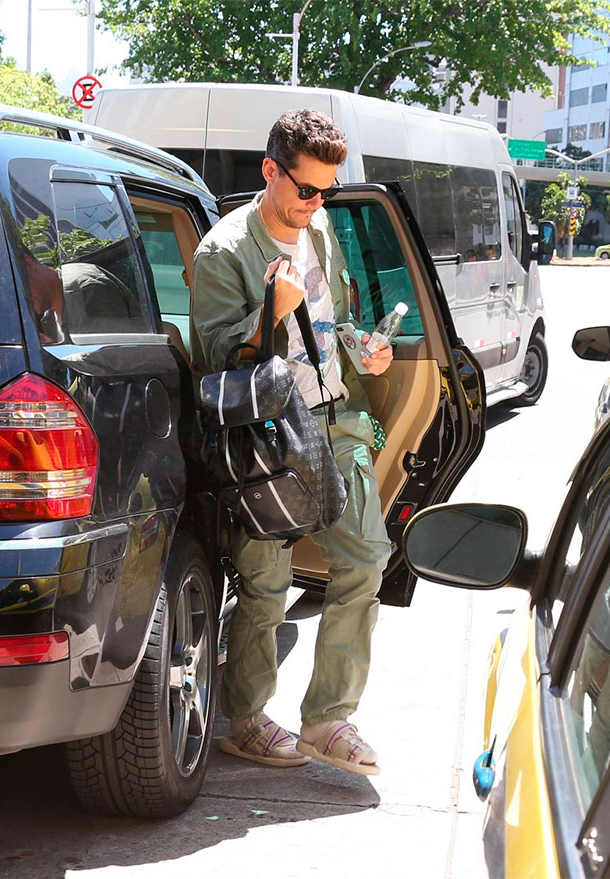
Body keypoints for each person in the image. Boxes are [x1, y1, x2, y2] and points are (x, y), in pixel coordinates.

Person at [190, 109, 393, 777]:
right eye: (305, 189)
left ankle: (327, 718)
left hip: (333, 421)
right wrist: (266, 318)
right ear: (270, 171)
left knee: (366, 559)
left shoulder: (323, 228)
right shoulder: (224, 252)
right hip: (265, 438)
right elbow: (218, 362)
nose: (315, 204)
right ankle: (246, 719)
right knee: (265, 584)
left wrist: (365, 347)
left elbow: (334, 318)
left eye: (327, 191)